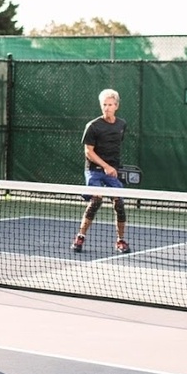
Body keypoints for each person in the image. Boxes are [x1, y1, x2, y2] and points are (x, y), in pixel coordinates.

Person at [71, 88, 130, 254]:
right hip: (94, 170)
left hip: (112, 171)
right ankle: (80, 237)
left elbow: (115, 147)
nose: (107, 107)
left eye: (110, 104)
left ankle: (120, 240)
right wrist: (105, 166)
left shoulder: (121, 125)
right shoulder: (93, 126)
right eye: (104, 104)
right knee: (96, 201)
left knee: (119, 203)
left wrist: (112, 168)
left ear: (116, 106)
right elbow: (88, 152)